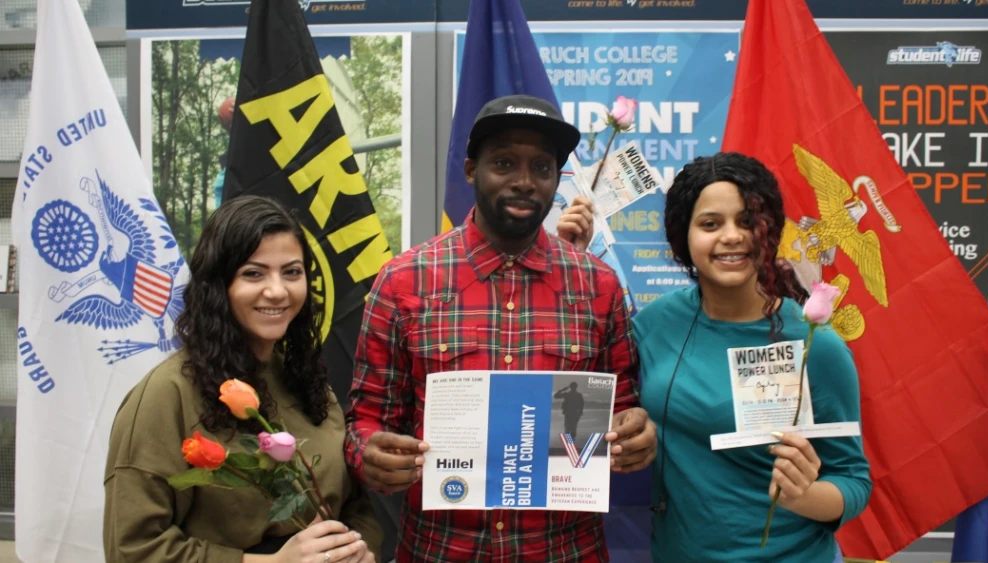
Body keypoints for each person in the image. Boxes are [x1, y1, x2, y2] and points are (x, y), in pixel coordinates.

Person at [344, 94, 657, 563]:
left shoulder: (599, 286)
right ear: (472, 170)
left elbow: (624, 408)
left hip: (566, 551)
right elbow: (366, 418)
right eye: (505, 163)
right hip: (440, 549)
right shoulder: (404, 281)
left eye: (543, 168)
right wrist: (368, 453)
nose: (525, 182)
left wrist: (635, 433)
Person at [557, 152, 871, 562]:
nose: (732, 236)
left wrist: (804, 495)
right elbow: (574, 385)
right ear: (682, 237)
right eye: (710, 224)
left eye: (747, 221)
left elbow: (854, 483)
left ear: (770, 229)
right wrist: (572, 266)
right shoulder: (655, 324)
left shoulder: (817, 346)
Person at [104, 195, 382, 563]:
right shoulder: (165, 394)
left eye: (292, 272)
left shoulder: (307, 381)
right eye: (254, 273)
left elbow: (357, 505)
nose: (278, 290)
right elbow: (132, 549)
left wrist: (360, 550)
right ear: (218, 285)